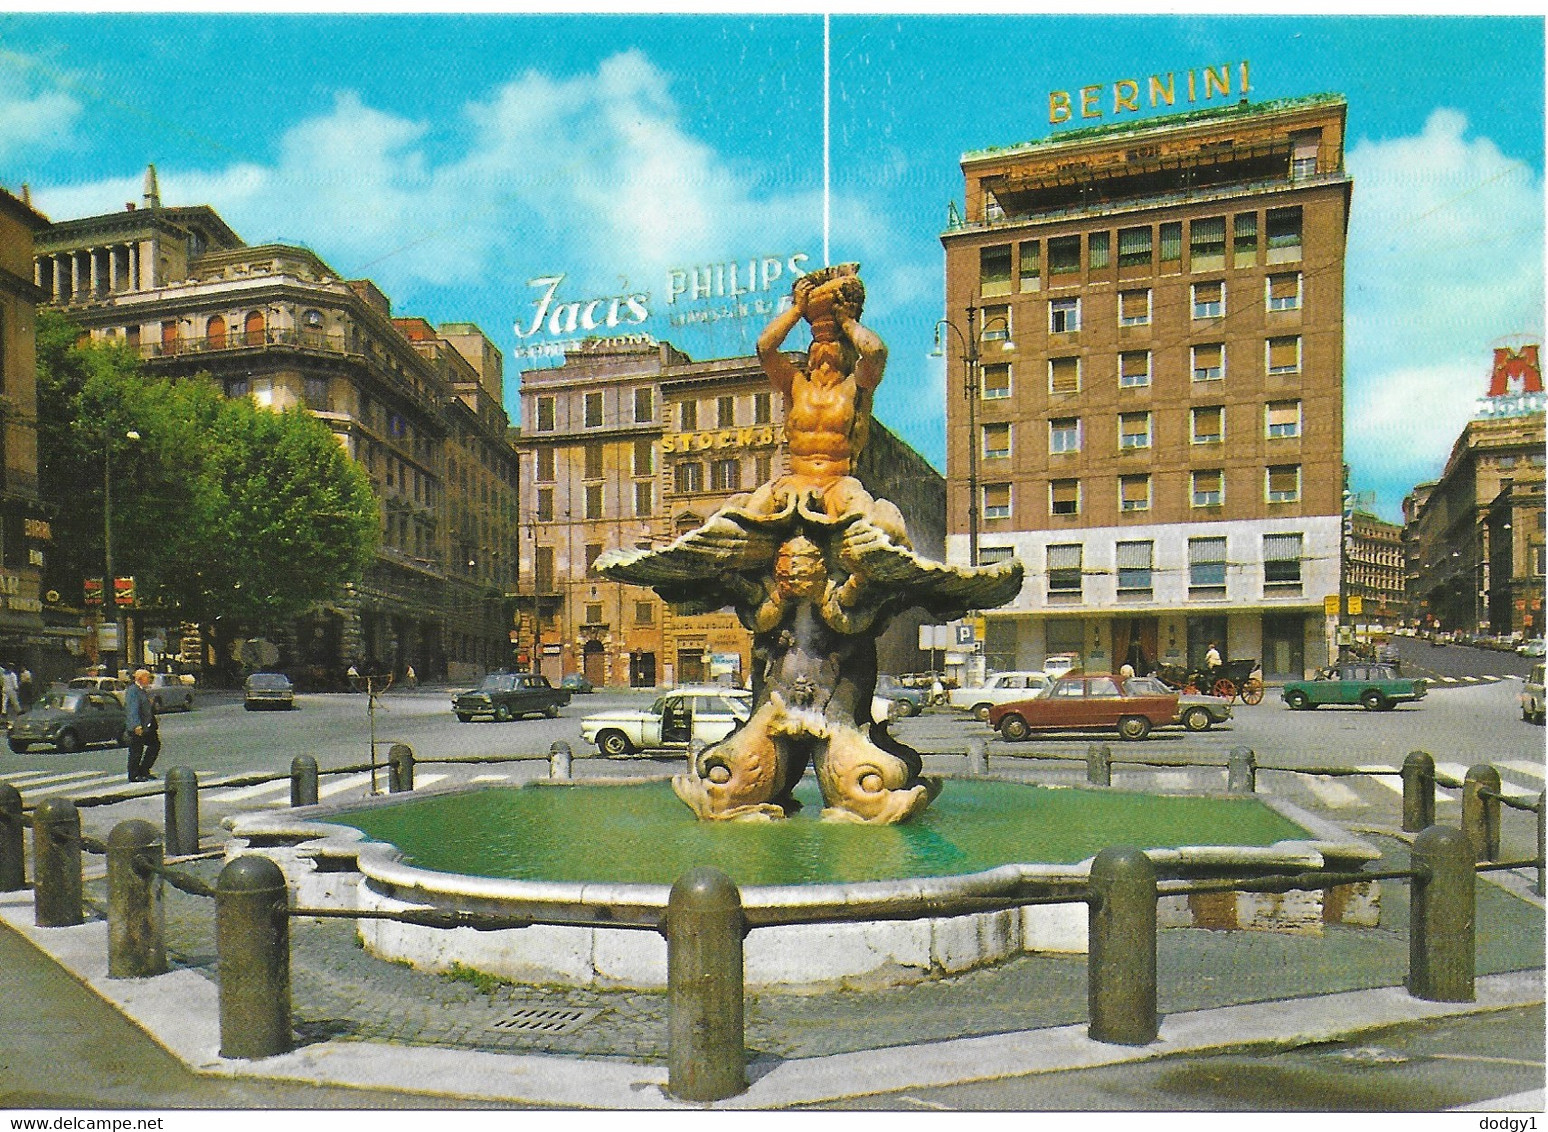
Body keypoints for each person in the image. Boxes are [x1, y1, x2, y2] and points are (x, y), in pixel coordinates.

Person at [124, 668, 161, 783]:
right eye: (148, 677)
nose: (150, 679)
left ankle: (144, 770)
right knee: (136, 751)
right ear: (140, 679)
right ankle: (134, 774)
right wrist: (136, 725)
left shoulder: (142, 690)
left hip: (147, 726)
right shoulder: (133, 691)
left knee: (154, 745)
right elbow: (132, 709)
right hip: (138, 727)